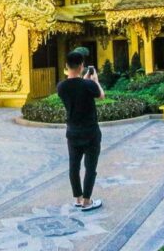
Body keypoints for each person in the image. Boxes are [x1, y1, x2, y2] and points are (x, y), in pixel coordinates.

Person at [56, 47, 104, 212]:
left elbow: (76, 86)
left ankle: (77, 198)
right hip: (90, 132)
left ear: (67, 66)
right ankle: (87, 201)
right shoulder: (88, 84)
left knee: (74, 166)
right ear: (81, 66)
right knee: (90, 167)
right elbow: (101, 96)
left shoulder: (61, 87)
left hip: (73, 132)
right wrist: (95, 80)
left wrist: (85, 81)